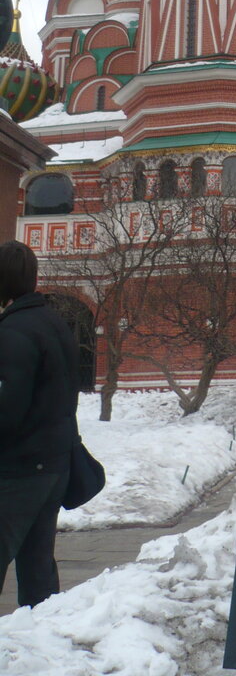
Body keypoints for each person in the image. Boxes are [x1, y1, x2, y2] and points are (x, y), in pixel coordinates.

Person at [0, 240, 80, 607]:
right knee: (37, 571)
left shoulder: (13, 332)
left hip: (19, 470)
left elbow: (7, 409)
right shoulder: (54, 323)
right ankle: (41, 645)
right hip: (53, 463)